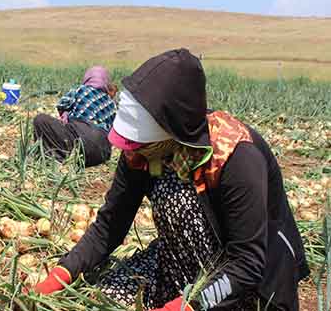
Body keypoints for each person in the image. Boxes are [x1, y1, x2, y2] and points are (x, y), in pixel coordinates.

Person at [33, 49, 309, 311]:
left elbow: (247, 263)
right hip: (179, 264)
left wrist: (189, 305)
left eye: (140, 145)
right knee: (105, 295)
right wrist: (61, 273)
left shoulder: (236, 157)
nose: (131, 152)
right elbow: (110, 225)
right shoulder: (141, 150)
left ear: (172, 135)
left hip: (246, 283)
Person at [33, 66, 117, 167]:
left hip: (81, 139)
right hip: (102, 152)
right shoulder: (112, 103)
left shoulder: (81, 89)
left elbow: (62, 104)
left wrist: (66, 115)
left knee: (41, 120)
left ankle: (53, 157)